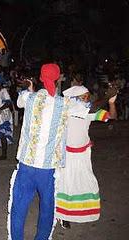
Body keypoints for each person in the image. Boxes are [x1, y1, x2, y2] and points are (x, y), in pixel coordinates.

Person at [7, 63, 89, 240]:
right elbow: (87, 106)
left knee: (19, 208)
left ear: (41, 78)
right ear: (58, 79)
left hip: (26, 165)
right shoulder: (65, 103)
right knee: (47, 209)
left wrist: (29, 87)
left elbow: (21, 99)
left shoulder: (29, 98)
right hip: (48, 168)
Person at [55, 86, 117, 228]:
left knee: (85, 182)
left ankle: (80, 212)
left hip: (83, 153)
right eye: (84, 96)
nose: (87, 99)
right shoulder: (68, 109)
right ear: (74, 98)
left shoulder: (87, 111)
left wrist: (112, 102)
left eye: (87, 96)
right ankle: (61, 215)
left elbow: (111, 116)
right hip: (67, 154)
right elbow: (89, 108)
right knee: (66, 184)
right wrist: (107, 96)